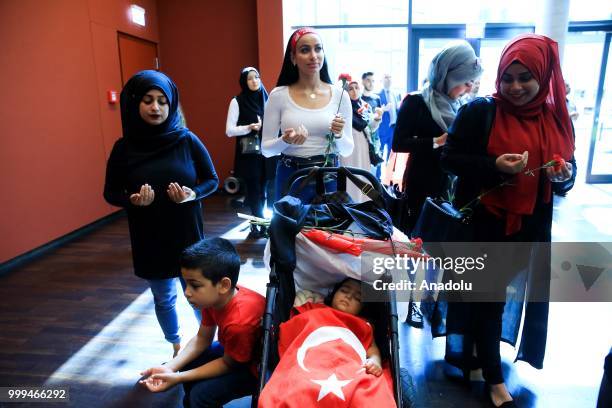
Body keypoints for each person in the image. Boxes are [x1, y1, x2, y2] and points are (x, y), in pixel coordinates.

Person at [437, 34, 576, 407]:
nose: (514, 87)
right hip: (484, 224)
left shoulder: (555, 119)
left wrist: (564, 177)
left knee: (498, 297)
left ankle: (481, 358)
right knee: (490, 298)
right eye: (508, 78)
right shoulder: (481, 111)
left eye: (524, 78)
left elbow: (567, 170)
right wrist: (492, 166)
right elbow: (449, 158)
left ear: (543, 77)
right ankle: (495, 380)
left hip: (528, 227)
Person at [103, 70, 218, 357]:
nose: (156, 107)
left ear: (171, 105)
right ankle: (177, 346)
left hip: (186, 233)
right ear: (135, 104)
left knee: (197, 295)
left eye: (162, 101)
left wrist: (193, 194)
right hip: (149, 234)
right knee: (164, 297)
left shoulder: (186, 139)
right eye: (148, 100)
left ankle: (208, 346)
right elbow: (110, 192)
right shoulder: (124, 147)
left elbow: (212, 179)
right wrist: (131, 199)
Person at [392, 41, 482, 328]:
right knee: (415, 243)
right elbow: (398, 142)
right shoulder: (416, 102)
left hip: (450, 186)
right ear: (449, 77)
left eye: (471, 83)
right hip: (421, 183)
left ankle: (431, 299)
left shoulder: (459, 105)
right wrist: (435, 142)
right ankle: (411, 303)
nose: (468, 89)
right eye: (464, 82)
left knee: (441, 246)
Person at [139, 238, 266, 407]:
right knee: (188, 363)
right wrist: (170, 367)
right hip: (235, 349)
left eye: (194, 285)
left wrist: (177, 378)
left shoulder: (239, 323)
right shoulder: (215, 298)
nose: (187, 292)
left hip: (254, 366)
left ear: (223, 285)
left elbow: (229, 364)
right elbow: (202, 339)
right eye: (185, 284)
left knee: (201, 395)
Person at [258, 278, 396, 407]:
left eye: (357, 298)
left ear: (362, 309)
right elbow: (295, 327)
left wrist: (375, 361)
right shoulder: (313, 309)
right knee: (298, 386)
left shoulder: (362, 325)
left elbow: (373, 352)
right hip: (313, 359)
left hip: (348, 365)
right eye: (344, 291)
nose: (348, 297)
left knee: (365, 392)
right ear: (334, 293)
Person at [262, 27, 352, 202]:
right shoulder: (278, 95)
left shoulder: (340, 96)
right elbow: (266, 150)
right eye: (305, 50)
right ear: (293, 57)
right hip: (291, 176)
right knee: (291, 228)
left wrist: (339, 134)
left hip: (330, 176)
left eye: (318, 48)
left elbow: (347, 150)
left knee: (328, 228)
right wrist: (285, 140)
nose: (313, 55)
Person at [226, 67, 270, 238]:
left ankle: (257, 223)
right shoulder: (237, 101)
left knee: (263, 190)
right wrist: (249, 128)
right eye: (250, 78)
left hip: (265, 151)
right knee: (253, 189)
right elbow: (229, 131)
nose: (255, 81)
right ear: (244, 81)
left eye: (257, 77)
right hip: (249, 153)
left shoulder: (266, 99)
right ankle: (261, 225)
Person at [340, 79, 382, 201]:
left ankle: (363, 207)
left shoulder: (365, 106)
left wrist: (378, 118)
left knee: (363, 175)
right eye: (350, 89)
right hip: (348, 148)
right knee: (349, 175)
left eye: (356, 88)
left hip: (363, 146)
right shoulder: (342, 107)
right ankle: (350, 205)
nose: (354, 91)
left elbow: (370, 128)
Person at [377, 73, 401, 163]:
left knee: (392, 155)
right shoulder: (378, 95)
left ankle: (389, 175)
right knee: (379, 154)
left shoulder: (396, 94)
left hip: (394, 129)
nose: (388, 79)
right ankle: (377, 177)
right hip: (382, 129)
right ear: (382, 80)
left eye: (390, 77)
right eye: (386, 77)